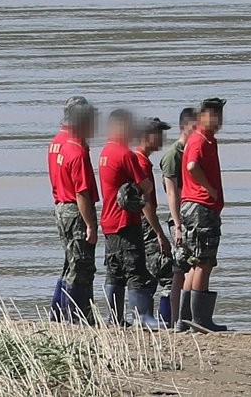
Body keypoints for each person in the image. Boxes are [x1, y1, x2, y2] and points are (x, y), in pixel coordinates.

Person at [98, 109, 170, 329]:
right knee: (135, 269)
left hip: (108, 220)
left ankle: (114, 317)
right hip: (125, 220)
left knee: (114, 271)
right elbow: (146, 187)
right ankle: (143, 316)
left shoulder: (105, 152)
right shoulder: (125, 154)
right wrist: (158, 232)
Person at [178, 98, 228, 332]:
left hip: (195, 206)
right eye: (214, 115)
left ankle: (184, 320)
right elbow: (191, 167)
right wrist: (209, 188)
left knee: (194, 263)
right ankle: (199, 320)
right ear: (203, 116)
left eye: (220, 115)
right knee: (203, 262)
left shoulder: (205, 139)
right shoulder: (199, 139)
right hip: (200, 206)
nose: (218, 121)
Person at [49, 98, 100, 323]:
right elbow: (82, 192)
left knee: (70, 262)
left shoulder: (57, 142)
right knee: (81, 265)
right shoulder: (76, 150)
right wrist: (91, 224)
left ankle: (58, 314)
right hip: (74, 209)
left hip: (61, 207)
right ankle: (77, 316)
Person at [134, 117, 175, 324]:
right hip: (145, 224)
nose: (161, 139)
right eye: (158, 134)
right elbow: (145, 203)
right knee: (167, 272)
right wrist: (159, 233)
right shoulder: (140, 162)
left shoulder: (141, 160)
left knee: (147, 273)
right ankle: (165, 320)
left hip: (140, 223)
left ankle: (148, 317)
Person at [160, 108, 197, 327]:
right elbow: (172, 192)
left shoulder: (191, 150)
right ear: (183, 127)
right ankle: (178, 320)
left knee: (187, 266)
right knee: (180, 269)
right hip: (180, 218)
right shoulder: (174, 154)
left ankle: (186, 318)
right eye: (194, 127)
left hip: (191, 216)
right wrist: (178, 225)